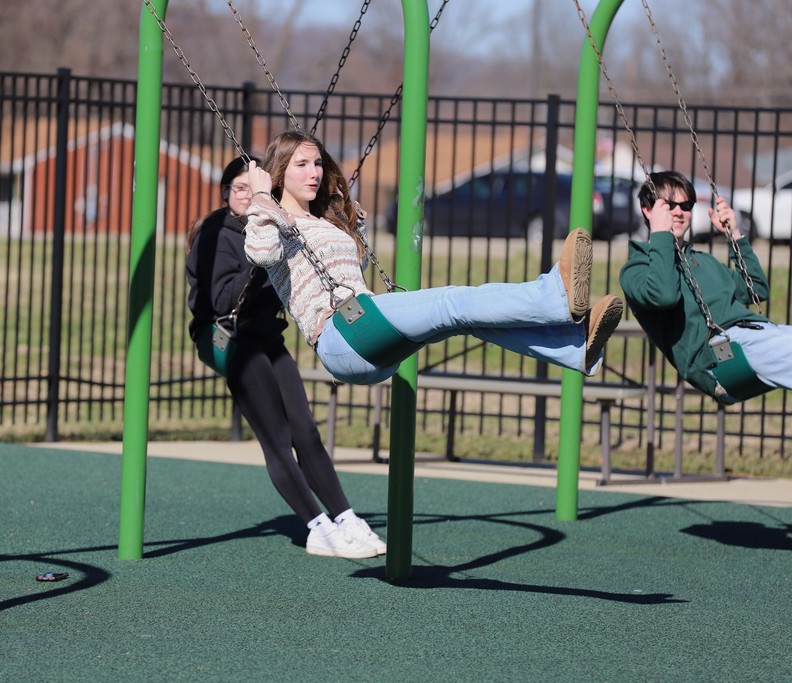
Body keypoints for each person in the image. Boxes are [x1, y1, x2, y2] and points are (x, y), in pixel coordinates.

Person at [243, 129, 624, 387]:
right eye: (301, 165)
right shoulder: (273, 219)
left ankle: (574, 348)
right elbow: (261, 253)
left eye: (317, 163)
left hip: (367, 331)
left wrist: (353, 227)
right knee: (451, 301)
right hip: (339, 336)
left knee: (464, 319)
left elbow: (350, 272)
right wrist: (260, 197)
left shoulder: (322, 217)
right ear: (278, 173)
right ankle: (552, 295)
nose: (314, 173)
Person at [186, 155, 386, 559]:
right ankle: (316, 527)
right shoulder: (216, 233)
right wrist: (260, 261)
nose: (245, 195)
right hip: (233, 339)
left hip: (267, 338)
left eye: (252, 187)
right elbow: (222, 299)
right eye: (238, 189)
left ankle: (346, 517)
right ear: (226, 193)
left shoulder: (274, 225)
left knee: (305, 431)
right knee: (276, 437)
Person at [620, 170, 791, 401]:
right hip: (720, 355)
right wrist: (660, 233)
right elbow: (664, 295)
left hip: (758, 334)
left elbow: (757, 289)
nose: (679, 212)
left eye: (686, 205)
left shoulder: (704, 261)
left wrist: (735, 235)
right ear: (648, 210)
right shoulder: (636, 269)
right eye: (669, 206)